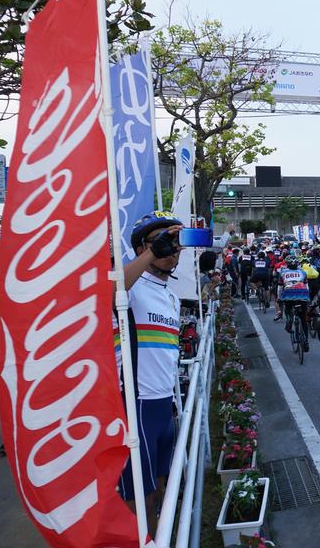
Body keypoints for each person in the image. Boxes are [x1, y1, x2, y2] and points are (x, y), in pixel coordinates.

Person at [116, 212, 184, 535]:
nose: (172, 249)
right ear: (145, 246)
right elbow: (111, 288)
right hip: (138, 406)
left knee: (162, 490)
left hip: (164, 405)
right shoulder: (131, 288)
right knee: (140, 502)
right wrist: (149, 254)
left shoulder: (171, 295)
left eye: (174, 242)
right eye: (164, 242)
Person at [277, 256, 312, 345]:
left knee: (288, 310)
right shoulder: (303, 272)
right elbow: (307, 287)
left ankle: (289, 321)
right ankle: (306, 342)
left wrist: (279, 298)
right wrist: (308, 298)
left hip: (288, 294)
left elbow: (280, 288)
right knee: (303, 319)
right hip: (302, 294)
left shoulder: (283, 272)